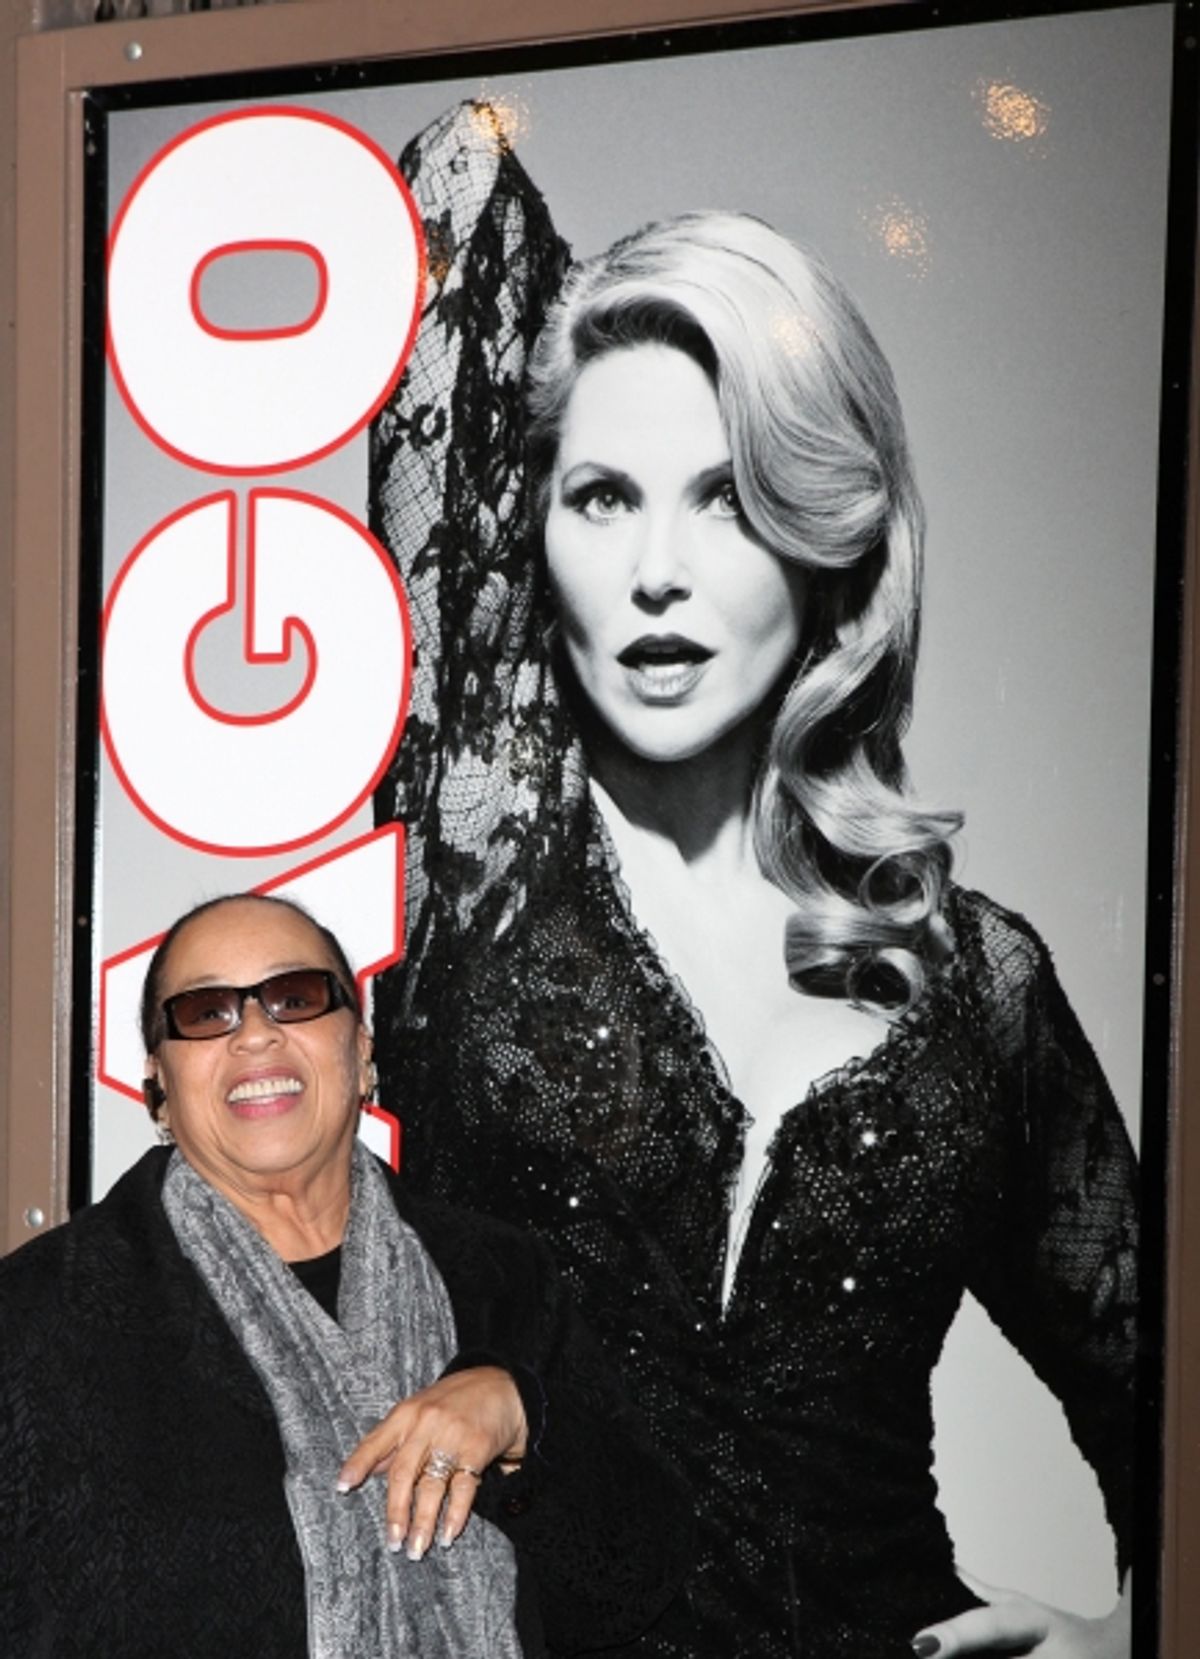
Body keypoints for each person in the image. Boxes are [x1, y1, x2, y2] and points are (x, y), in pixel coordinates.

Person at [369, 103, 1138, 1659]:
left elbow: (1162, 1394)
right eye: (603, 495)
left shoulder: (973, 983)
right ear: (534, 546)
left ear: (826, 540)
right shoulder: (474, 877)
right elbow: (453, 182)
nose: (658, 565)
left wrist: (1138, 1628)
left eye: (725, 494)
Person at [0, 891, 691, 1658]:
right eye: (206, 1012)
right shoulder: (38, 1320)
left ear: (361, 1052)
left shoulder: (501, 1274)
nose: (257, 1033)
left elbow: (635, 1579)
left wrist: (523, 1421)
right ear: (157, 1085)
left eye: (295, 999)